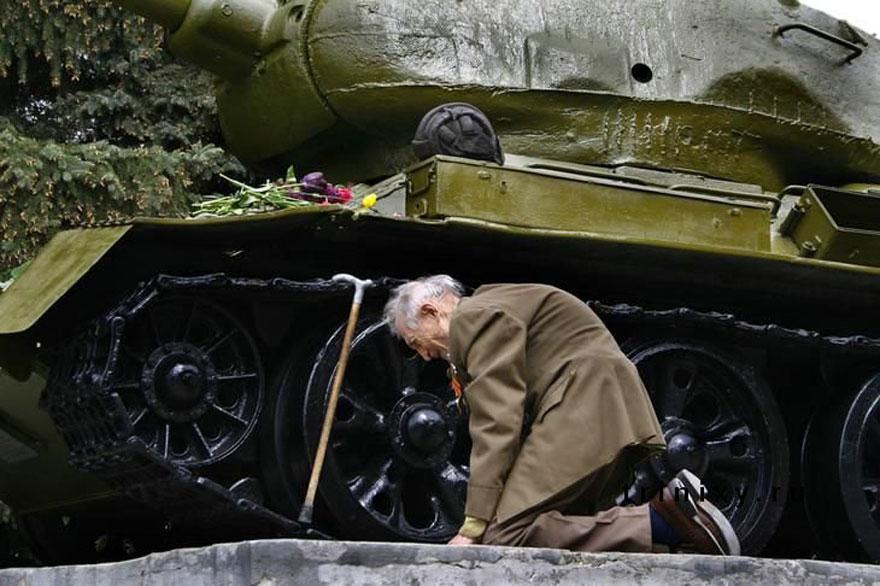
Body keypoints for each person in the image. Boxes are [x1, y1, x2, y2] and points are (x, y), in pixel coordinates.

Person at [383, 275, 740, 555]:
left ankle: (663, 521)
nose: (424, 355)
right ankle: (679, 541)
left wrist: (473, 525)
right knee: (556, 524)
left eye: (416, 342)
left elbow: (497, 423)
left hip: (582, 405)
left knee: (505, 535)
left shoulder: (472, 319)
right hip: (593, 405)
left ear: (431, 312)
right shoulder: (489, 309)